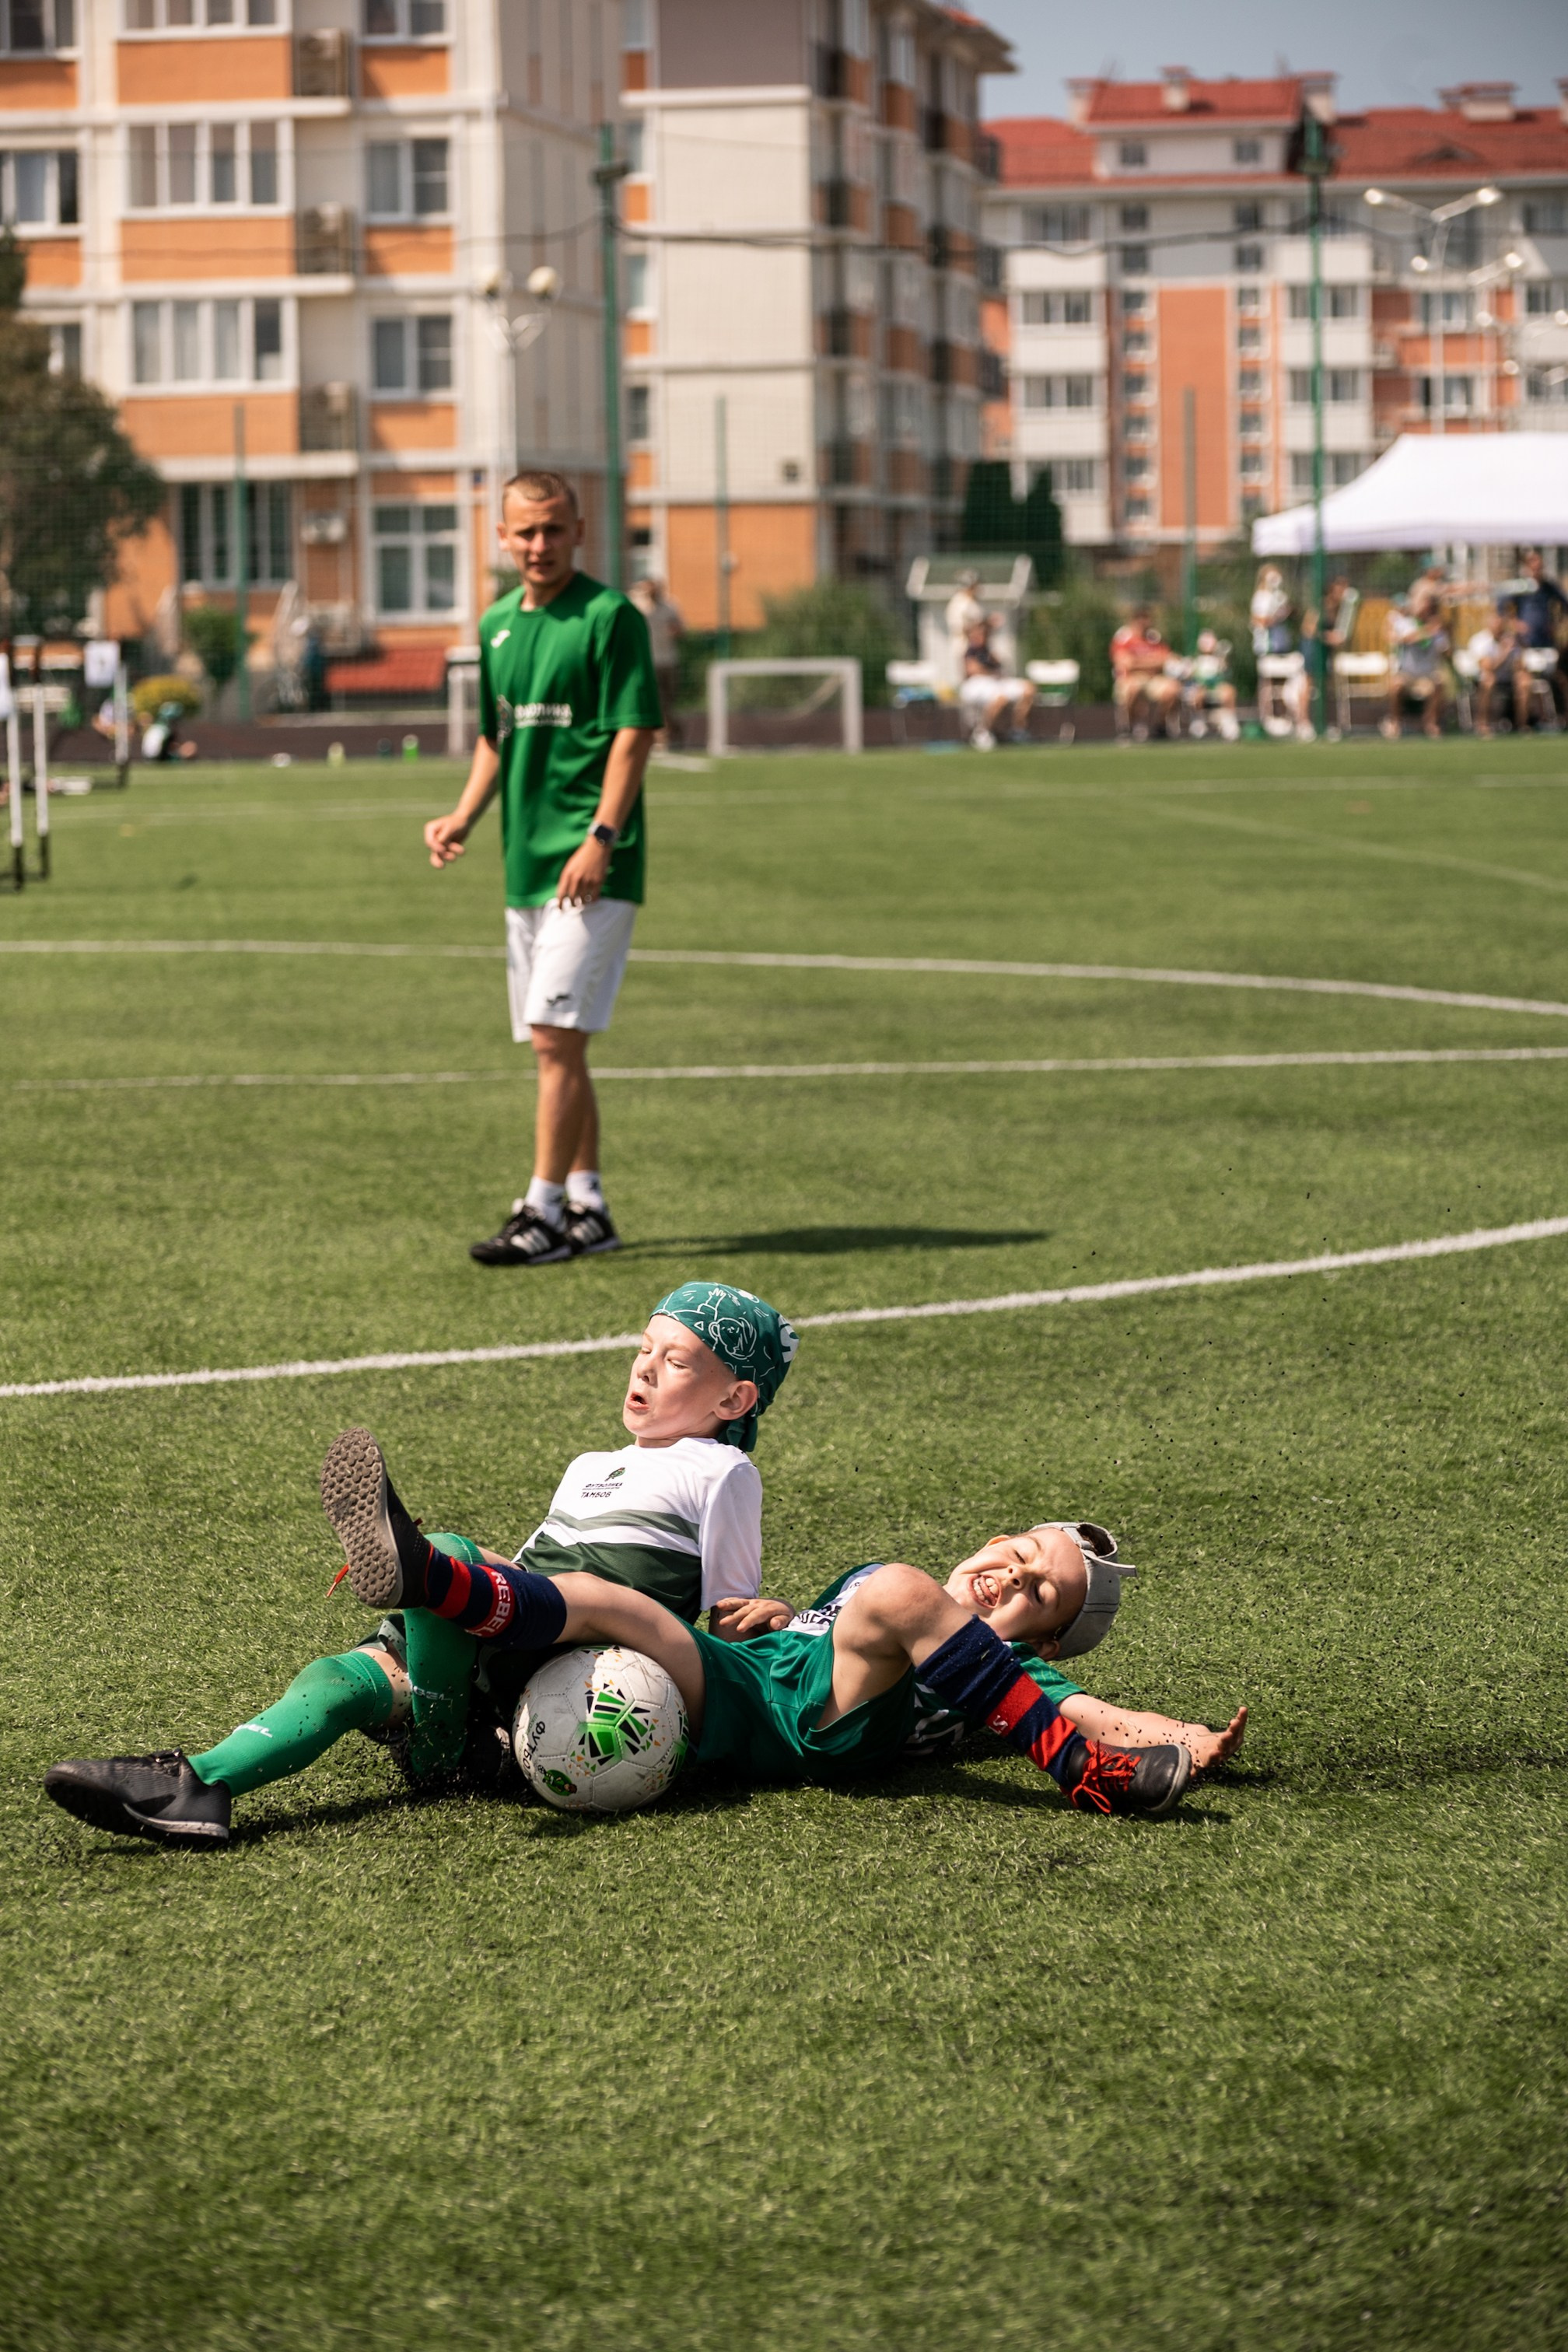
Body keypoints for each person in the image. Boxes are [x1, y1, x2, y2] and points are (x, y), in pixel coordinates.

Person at [42, 1283, 799, 1847]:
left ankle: (438, 1735)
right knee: (333, 1680)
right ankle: (199, 1787)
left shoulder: (722, 1474)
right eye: (644, 1349)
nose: (647, 1368)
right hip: (516, 1625)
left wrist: (765, 1618)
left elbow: (724, 1613)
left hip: (587, 1657)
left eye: (677, 1361)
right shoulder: (590, 1464)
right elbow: (537, 1564)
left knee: (455, 1565)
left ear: (734, 1397)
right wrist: (454, 1565)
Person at [422, 470, 663, 1267]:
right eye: (525, 531)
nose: (538, 545)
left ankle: (543, 1212)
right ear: (501, 537)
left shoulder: (610, 618)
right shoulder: (496, 626)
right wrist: (464, 814)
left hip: (592, 865)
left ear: (579, 530)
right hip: (524, 867)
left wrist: (601, 836)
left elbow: (633, 735)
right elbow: (498, 736)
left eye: (553, 530)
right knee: (560, 1044)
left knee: (554, 1040)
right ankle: (589, 1205)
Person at [957, 618, 1036, 750]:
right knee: (1000, 698)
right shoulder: (970, 651)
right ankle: (982, 732)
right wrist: (990, 672)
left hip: (997, 681)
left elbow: (999, 668)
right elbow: (973, 670)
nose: (982, 636)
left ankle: (1017, 730)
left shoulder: (988, 651)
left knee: (1029, 689)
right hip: (978, 685)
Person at [1510, 548, 1568, 726]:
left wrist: (1558, 628)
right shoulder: (1520, 588)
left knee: (1562, 680)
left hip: (1547, 646)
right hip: (1528, 647)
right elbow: (1503, 613)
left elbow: (1564, 607)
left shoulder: (1549, 587)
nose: (1537, 569)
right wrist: (1516, 625)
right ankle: (1523, 724)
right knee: (1525, 683)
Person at [1381, 593, 1450, 740]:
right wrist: (1424, 632)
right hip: (1406, 675)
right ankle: (1394, 722)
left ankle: (1430, 723)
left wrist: (1446, 632)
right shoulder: (1405, 624)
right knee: (1396, 685)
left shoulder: (1438, 630)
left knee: (1439, 684)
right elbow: (1399, 638)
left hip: (1426, 676)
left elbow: (1446, 651)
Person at [630, 575, 685, 747]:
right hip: (648, 662)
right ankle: (662, 738)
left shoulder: (670, 606)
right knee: (657, 701)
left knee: (669, 703)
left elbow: (681, 630)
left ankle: (675, 732)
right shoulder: (639, 607)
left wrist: (675, 630)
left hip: (669, 661)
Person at [1109, 606, 1180, 740]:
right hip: (1131, 678)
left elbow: (1167, 659)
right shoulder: (1123, 637)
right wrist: (1153, 660)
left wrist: (1139, 661)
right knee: (1133, 689)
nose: (1144, 622)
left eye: (1147, 618)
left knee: (1173, 689)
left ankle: (1160, 727)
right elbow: (1126, 664)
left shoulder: (1154, 638)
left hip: (1153, 678)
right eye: (1140, 618)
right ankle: (1128, 727)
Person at [1177, 631, 1240, 742]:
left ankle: (1229, 723)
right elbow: (1188, 677)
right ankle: (1198, 722)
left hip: (1215, 688)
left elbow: (1225, 675)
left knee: (1229, 691)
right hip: (1200, 689)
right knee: (1198, 694)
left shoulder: (1219, 660)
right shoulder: (1194, 661)